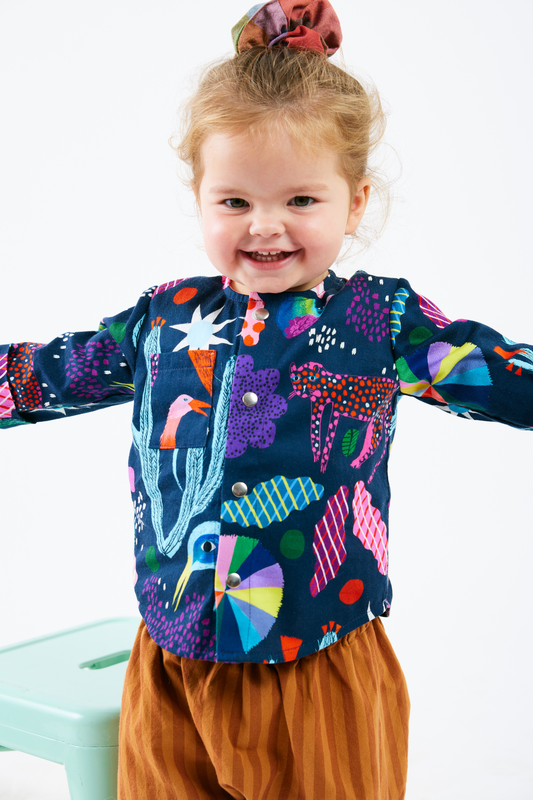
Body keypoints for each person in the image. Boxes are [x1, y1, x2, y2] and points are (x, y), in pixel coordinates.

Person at [1, 2, 532, 798]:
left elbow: (492, 372)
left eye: (301, 201)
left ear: (353, 202)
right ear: (201, 196)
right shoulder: (163, 318)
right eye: (236, 201)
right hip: (171, 662)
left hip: (316, 661)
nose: (267, 227)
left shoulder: (377, 319)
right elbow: (44, 375)